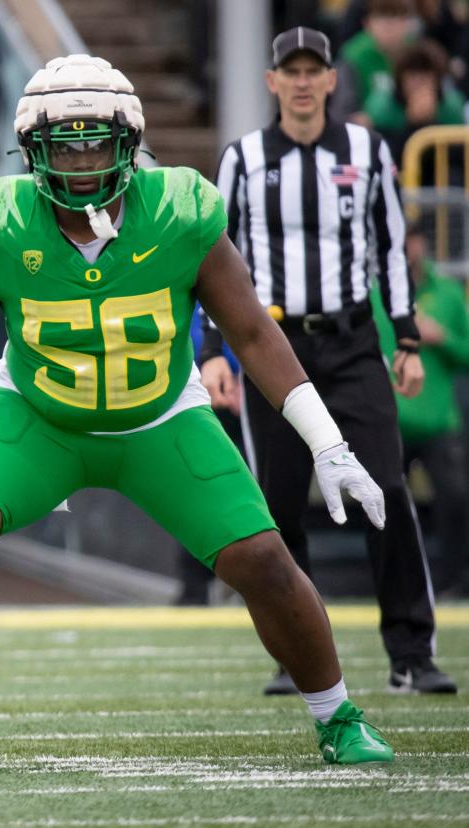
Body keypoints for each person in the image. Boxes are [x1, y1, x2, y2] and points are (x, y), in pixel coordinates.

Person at [0, 54, 397, 772]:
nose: (82, 160)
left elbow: (252, 333)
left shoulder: (180, 210)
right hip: (38, 413)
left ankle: (338, 716)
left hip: (160, 418)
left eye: (96, 141)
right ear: (31, 151)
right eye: (64, 144)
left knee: (263, 560)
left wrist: (327, 444)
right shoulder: (0, 221)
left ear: (130, 141)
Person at [200, 27, 455, 695]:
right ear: (272, 81)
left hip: (351, 344)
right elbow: (212, 261)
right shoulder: (243, 159)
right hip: (271, 348)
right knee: (278, 506)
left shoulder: (369, 151)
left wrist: (404, 339)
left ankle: (411, 652)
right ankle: (295, 654)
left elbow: (391, 249)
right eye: (293, 70)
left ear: (333, 80)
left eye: (315, 69)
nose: (304, 80)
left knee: (387, 490)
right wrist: (211, 351)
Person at [372, 225, 469, 595]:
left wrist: (441, 337)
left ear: (423, 243)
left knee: (455, 499)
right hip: (390, 418)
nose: (407, 247)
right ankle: (392, 583)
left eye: (412, 238)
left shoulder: (446, 293)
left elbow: (467, 352)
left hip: (438, 420)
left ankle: (453, 583)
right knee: (384, 502)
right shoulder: (371, 294)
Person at [364, 39, 466, 156]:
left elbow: (458, 158)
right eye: (412, 77)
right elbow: (387, 156)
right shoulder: (383, 108)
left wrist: (431, 122)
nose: (418, 84)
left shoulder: (451, 106)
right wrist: (412, 124)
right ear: (400, 80)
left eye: (425, 77)